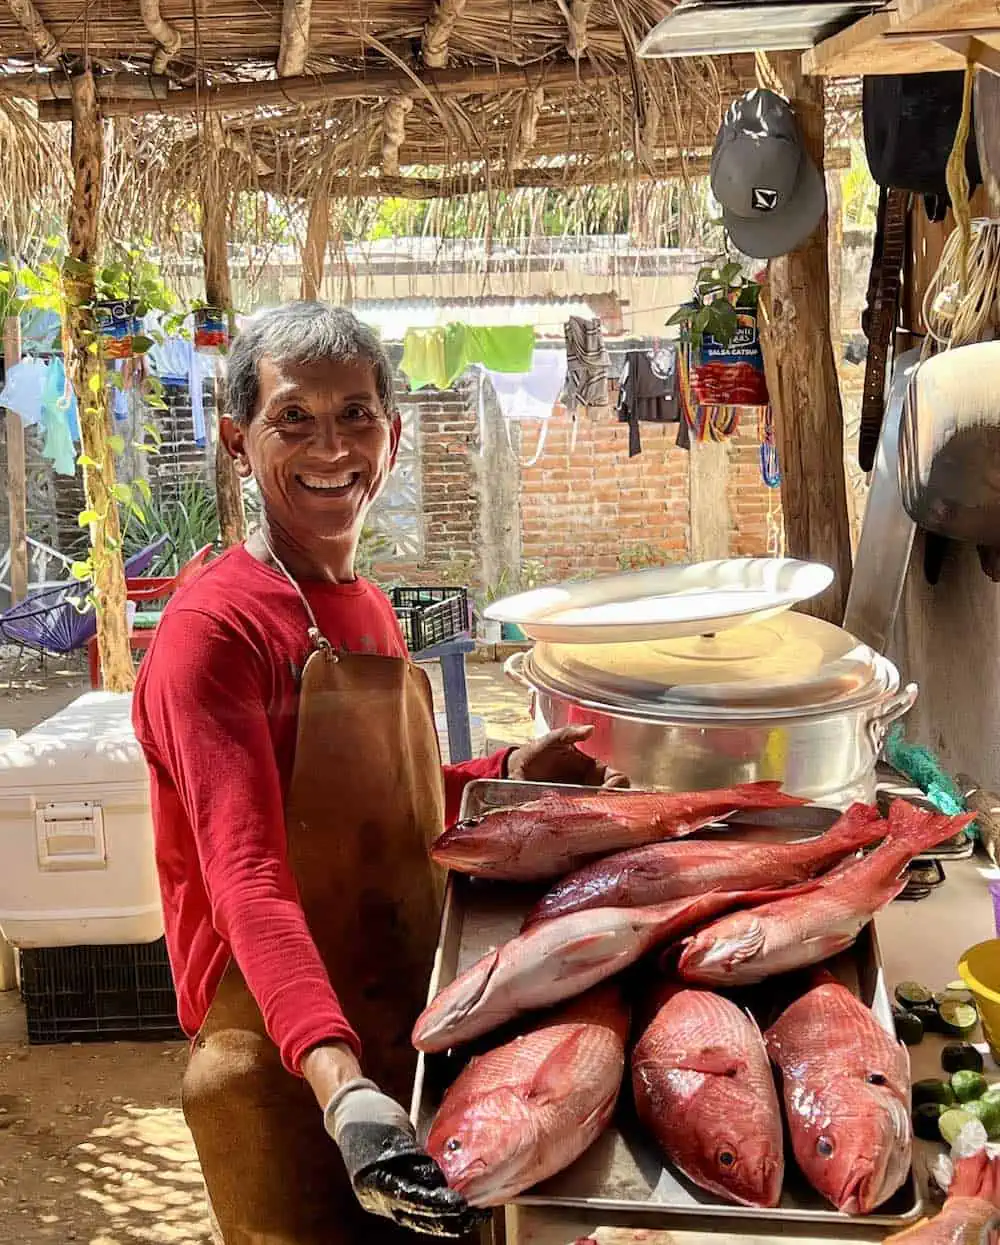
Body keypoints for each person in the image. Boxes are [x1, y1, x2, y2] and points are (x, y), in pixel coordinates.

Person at [132, 301, 626, 1244]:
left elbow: (392, 808)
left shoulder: (361, 607)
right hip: (287, 1068)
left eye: (355, 413)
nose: (332, 446)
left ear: (393, 436)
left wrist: (514, 768)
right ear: (238, 441)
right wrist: (341, 1084)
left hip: (404, 1011)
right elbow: (250, 878)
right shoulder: (212, 633)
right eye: (295, 418)